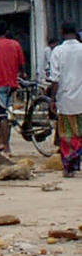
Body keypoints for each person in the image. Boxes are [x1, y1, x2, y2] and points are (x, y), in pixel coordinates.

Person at [0, 20, 26, 156]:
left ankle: (5, 144)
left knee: (2, 115)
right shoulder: (15, 44)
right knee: (8, 112)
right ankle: (3, 141)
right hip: (13, 83)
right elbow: (22, 64)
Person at [48, 23, 82, 176]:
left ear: (61, 32)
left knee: (67, 133)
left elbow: (55, 78)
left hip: (65, 98)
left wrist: (52, 99)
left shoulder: (58, 51)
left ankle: (69, 166)